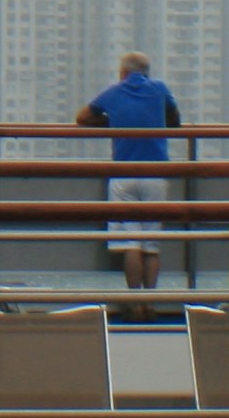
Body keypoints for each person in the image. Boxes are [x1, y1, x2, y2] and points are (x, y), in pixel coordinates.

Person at [79, 50, 187, 310]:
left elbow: (82, 118)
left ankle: (135, 304)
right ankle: (150, 303)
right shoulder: (160, 89)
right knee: (151, 245)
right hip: (157, 174)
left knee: (130, 242)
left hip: (124, 173)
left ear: (123, 72)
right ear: (147, 73)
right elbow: (175, 120)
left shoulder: (114, 92)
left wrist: (112, 122)